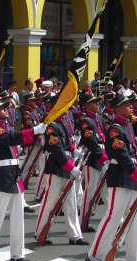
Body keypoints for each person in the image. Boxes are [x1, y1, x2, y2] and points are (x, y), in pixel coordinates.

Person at [86, 94, 137, 261]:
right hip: (120, 176)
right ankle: (95, 254)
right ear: (117, 109)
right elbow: (122, 155)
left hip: (130, 175)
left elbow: (133, 152)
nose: (130, 107)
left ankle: (134, 259)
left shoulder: (127, 125)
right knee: (112, 217)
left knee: (133, 218)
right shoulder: (116, 129)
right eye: (125, 105)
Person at [0, 98, 46, 261]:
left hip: (13, 172)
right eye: (2, 108)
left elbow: (16, 139)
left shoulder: (6, 126)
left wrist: (37, 132)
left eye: (6, 107)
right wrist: (34, 130)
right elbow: (9, 138)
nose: (6, 110)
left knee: (17, 215)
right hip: (3, 173)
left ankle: (17, 253)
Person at [35, 96, 88, 245]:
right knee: (49, 201)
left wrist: (74, 150)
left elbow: (65, 141)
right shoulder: (51, 125)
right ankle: (40, 232)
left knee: (70, 201)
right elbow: (57, 150)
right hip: (57, 166)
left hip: (67, 163)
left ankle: (75, 235)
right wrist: (71, 167)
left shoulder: (62, 122)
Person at [78, 92, 109, 232]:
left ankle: (113, 218)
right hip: (93, 157)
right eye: (94, 102)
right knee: (90, 190)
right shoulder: (86, 121)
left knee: (106, 189)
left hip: (103, 154)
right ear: (86, 105)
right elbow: (91, 142)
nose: (97, 104)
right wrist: (102, 157)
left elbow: (104, 139)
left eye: (98, 102)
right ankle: (83, 221)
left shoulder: (99, 119)